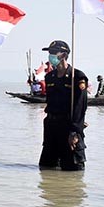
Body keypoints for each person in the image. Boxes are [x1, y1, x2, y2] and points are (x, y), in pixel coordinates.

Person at [39, 40, 87, 171]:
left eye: (54, 52)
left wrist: (75, 131)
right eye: (50, 53)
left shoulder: (77, 77)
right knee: (45, 168)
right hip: (51, 127)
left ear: (64, 55)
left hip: (68, 128)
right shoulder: (50, 77)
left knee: (72, 170)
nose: (51, 56)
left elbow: (80, 107)